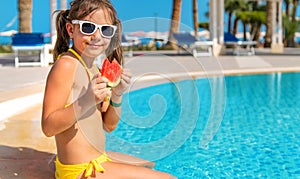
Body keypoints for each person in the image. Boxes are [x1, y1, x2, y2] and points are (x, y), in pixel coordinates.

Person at [41, 0, 176, 178]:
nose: (97, 36)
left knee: (149, 164)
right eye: (88, 27)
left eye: (105, 30)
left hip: (98, 158)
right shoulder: (66, 65)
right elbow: (48, 127)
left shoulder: (95, 69)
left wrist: (117, 95)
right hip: (80, 170)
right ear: (70, 30)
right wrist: (86, 100)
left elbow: (109, 125)